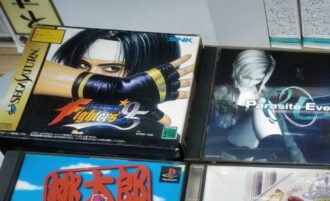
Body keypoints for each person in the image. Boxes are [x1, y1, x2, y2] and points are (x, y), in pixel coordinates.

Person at [33, 29, 193, 127]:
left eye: (112, 68)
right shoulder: (40, 106)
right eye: (82, 65)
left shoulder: (146, 127)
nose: (90, 75)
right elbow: (28, 70)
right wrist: (117, 88)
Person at [209, 49, 305, 162]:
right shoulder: (219, 93)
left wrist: (300, 162)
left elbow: (285, 135)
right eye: (247, 77)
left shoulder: (267, 96)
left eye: (258, 79)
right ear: (238, 69)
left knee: (263, 104)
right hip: (225, 152)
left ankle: (281, 158)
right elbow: (207, 133)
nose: (250, 83)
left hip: (257, 156)